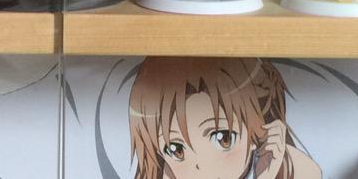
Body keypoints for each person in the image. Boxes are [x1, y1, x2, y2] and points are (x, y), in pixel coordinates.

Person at [129, 57, 324, 179]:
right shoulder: (163, 174)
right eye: (176, 149)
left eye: (223, 138)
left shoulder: (295, 170)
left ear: (259, 130)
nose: (201, 168)